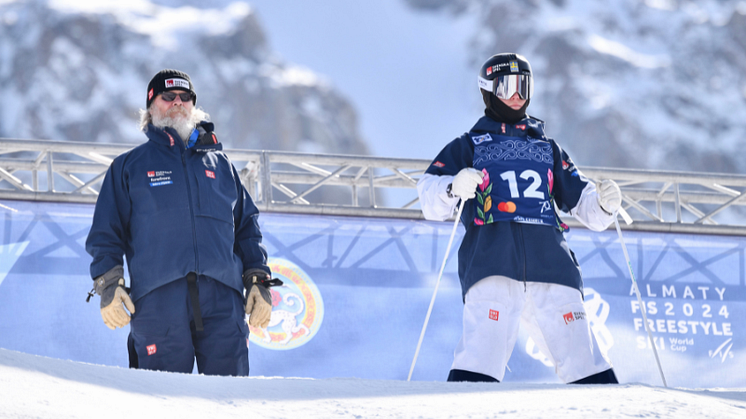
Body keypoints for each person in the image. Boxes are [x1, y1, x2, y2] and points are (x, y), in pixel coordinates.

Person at [417, 53, 623, 384]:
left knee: (584, 361)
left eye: (524, 85)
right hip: (492, 264)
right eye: (507, 86)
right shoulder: (469, 146)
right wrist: (452, 187)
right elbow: (429, 198)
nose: (517, 94)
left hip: (552, 266)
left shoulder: (548, 148)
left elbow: (586, 206)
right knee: (481, 357)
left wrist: (604, 204)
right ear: (488, 91)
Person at [86, 69, 280, 376]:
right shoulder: (128, 167)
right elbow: (105, 234)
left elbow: (247, 228)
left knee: (230, 402)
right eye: (168, 97)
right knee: (161, 403)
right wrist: (109, 285)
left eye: (185, 97)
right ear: (151, 107)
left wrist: (258, 281)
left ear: (193, 105)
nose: (177, 102)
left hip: (223, 303)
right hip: (158, 302)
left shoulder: (222, 166)